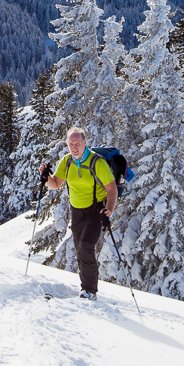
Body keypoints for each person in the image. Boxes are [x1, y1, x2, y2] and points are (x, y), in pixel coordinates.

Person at [40, 127, 117, 300]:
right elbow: (56, 184)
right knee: (79, 248)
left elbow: (111, 189)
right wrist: (45, 177)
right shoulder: (67, 161)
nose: (74, 147)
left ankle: (90, 291)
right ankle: (86, 288)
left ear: (84, 143)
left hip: (95, 210)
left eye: (77, 143)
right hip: (76, 211)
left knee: (85, 246)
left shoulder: (97, 163)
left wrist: (109, 209)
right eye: (71, 143)